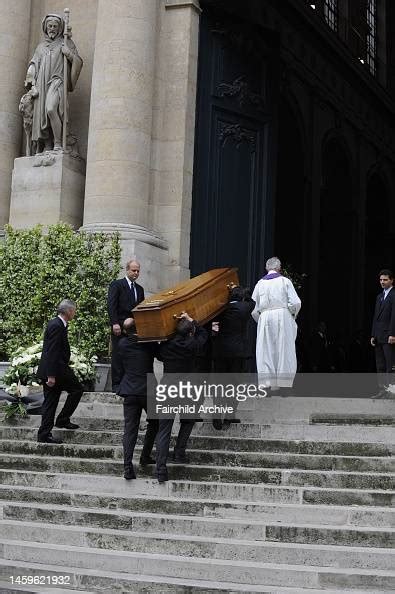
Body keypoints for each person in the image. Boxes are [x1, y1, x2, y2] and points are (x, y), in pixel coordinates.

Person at [156, 313, 208, 483]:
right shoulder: (193, 344)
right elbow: (204, 335)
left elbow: (158, 351)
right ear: (190, 332)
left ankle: (161, 469)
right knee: (188, 421)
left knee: (164, 430)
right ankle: (179, 453)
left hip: (167, 390)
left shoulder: (166, 346)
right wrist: (193, 320)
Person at [25, 13, 83, 153]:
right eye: (50, 26)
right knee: (42, 114)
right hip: (41, 84)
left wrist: (68, 54)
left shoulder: (66, 42)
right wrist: (31, 76)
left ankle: (58, 142)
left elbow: (78, 62)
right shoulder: (41, 47)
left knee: (51, 108)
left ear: (59, 28)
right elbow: (34, 63)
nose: (52, 29)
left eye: (55, 26)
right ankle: (48, 145)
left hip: (57, 81)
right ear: (45, 27)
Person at [117, 318, 159, 480]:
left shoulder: (122, 344)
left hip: (129, 390)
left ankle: (128, 467)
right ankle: (145, 455)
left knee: (130, 429)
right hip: (148, 389)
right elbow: (160, 355)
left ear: (126, 331)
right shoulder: (148, 343)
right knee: (155, 422)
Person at [37, 299, 83, 444]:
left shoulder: (58, 324)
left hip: (57, 369)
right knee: (76, 390)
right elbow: (52, 351)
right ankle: (56, 424)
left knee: (51, 401)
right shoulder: (57, 325)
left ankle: (47, 431)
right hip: (55, 370)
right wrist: (51, 375)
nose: (74, 313)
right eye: (74, 310)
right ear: (68, 311)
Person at [252, 257, 301, 390]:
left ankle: (267, 384)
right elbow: (296, 303)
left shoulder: (259, 284)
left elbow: (254, 308)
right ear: (279, 268)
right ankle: (283, 384)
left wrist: (261, 320)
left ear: (267, 268)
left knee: (265, 350)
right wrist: (291, 315)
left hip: (265, 316)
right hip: (282, 316)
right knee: (283, 349)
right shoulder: (285, 281)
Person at [211, 286, 255, 429]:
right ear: (241, 298)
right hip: (237, 353)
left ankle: (217, 417)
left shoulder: (220, 309)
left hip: (220, 352)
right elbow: (253, 302)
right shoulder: (243, 308)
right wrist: (243, 294)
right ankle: (229, 417)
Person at [107, 259, 145, 392]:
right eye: (134, 270)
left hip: (133, 328)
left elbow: (140, 309)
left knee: (131, 356)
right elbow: (111, 305)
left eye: (138, 271)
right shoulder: (117, 285)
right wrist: (115, 323)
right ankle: (116, 385)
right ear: (127, 270)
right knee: (118, 355)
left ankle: (126, 384)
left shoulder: (140, 289)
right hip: (119, 326)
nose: (136, 273)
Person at [371, 269, 395, 399]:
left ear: (391, 280)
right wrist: (373, 335)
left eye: (385, 280)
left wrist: (393, 334)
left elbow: (394, 316)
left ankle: (391, 391)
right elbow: (376, 317)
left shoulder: (394, 295)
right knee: (380, 365)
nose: (382, 282)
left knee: (390, 365)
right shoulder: (379, 297)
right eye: (381, 280)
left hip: (389, 336)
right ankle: (382, 390)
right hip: (379, 335)